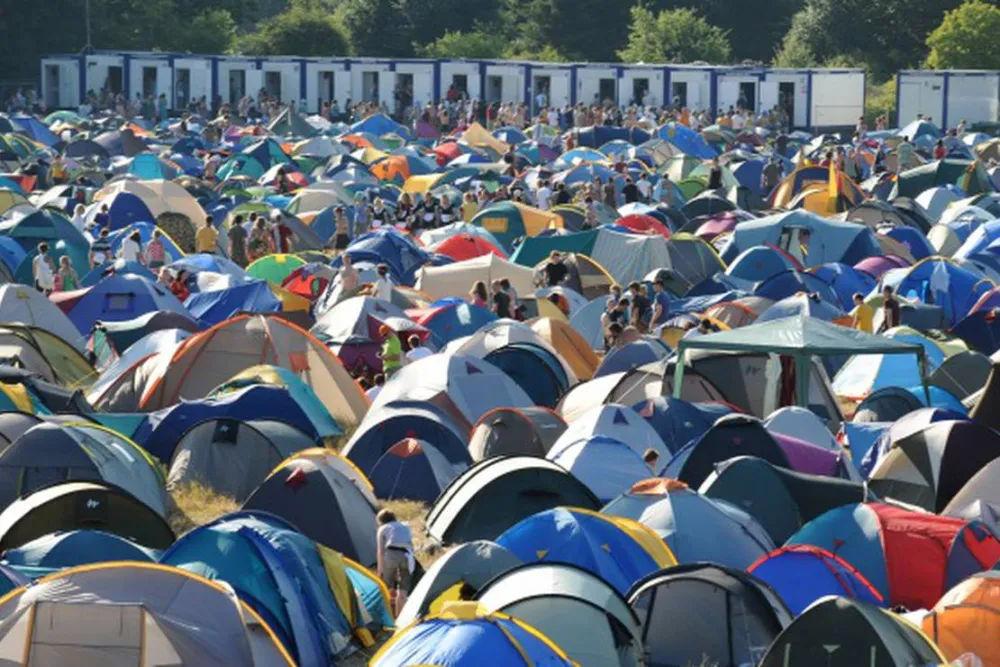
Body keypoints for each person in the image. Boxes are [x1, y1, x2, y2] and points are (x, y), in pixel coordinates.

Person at [376, 509, 413, 616]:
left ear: (381, 520)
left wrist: (380, 571)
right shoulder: (405, 526)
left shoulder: (383, 528)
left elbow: (380, 551)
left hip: (391, 555)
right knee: (403, 591)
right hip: (407, 556)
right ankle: (399, 618)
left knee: (387, 587)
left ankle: (389, 617)